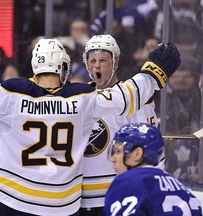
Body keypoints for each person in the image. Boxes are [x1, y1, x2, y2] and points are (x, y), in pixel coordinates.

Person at [0, 38, 180, 215]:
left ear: (35, 65)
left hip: (14, 202)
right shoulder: (83, 98)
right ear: (64, 68)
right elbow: (126, 96)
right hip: (61, 207)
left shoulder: (11, 94)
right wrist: (153, 73)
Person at [79, 34, 160, 216]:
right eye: (92, 60)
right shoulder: (79, 98)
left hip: (119, 194)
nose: (97, 66)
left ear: (115, 63)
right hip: (80, 199)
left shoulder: (136, 100)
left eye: (102, 60)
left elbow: (151, 152)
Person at [104, 122, 202, 215]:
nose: (113, 159)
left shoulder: (128, 182)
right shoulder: (180, 188)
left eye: (118, 151)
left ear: (137, 154)